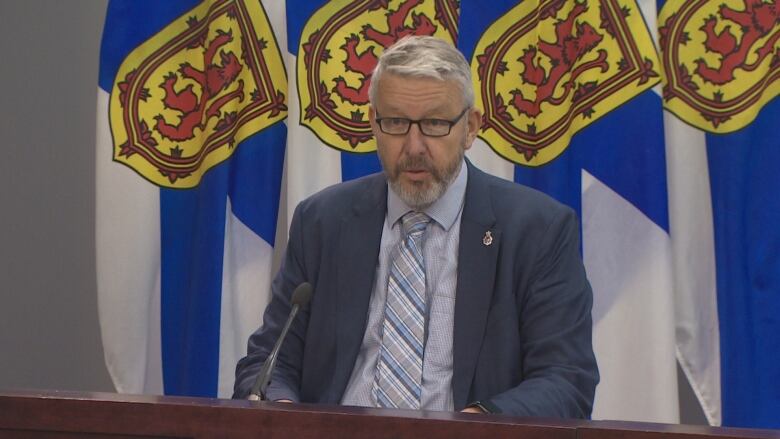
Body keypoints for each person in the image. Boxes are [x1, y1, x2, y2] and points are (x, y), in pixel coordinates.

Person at [234, 35, 598, 417]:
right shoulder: (322, 221)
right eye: (395, 123)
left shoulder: (538, 230)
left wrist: (473, 425)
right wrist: (283, 416)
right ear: (374, 123)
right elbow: (268, 362)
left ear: (471, 127)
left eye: (435, 124)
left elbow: (566, 380)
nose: (414, 146)